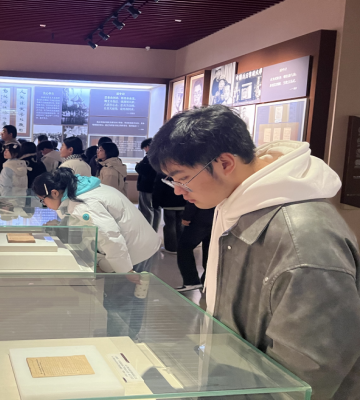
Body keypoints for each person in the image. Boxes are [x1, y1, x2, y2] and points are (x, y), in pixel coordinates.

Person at [148, 104, 360, 399]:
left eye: (182, 177)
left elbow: (307, 374)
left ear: (225, 163)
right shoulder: (238, 205)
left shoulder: (305, 239)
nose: (177, 190)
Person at [32, 168, 159, 274]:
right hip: (136, 243)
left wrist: (126, 271)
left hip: (135, 251)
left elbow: (109, 237)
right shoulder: (82, 189)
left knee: (127, 293)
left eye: (42, 200)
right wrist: (60, 225)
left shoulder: (84, 203)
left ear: (54, 193)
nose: (44, 204)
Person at [175, 202, 214, 292]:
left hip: (199, 217)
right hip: (215, 216)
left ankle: (191, 281)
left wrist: (187, 216)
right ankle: (207, 280)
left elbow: (194, 199)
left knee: (184, 247)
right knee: (209, 248)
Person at [152, 172, 186, 252]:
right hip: (183, 202)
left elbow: (158, 189)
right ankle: (181, 246)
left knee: (170, 226)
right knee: (181, 225)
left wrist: (155, 204)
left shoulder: (163, 173)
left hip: (168, 203)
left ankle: (171, 248)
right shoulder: (183, 172)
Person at [135, 138, 160, 230]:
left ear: (148, 146)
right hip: (157, 186)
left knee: (146, 209)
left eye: (145, 147)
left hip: (147, 186)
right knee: (156, 209)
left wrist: (138, 165)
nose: (145, 150)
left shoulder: (150, 157)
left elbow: (143, 169)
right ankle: (154, 230)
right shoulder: (161, 156)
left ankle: (147, 230)